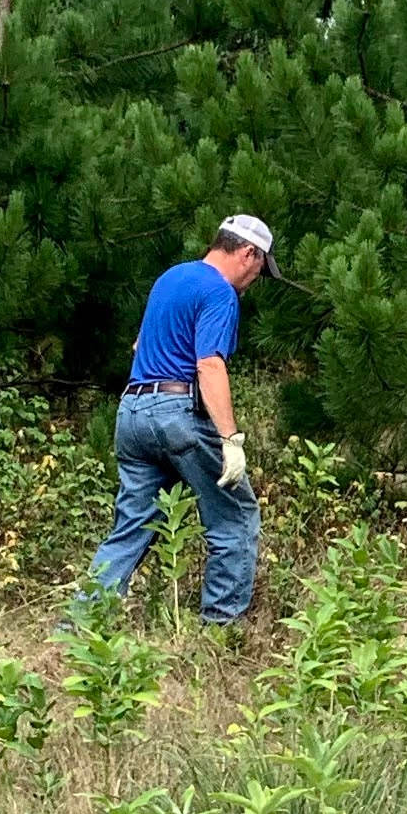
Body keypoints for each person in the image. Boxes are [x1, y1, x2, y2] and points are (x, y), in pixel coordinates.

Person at [92, 217, 269, 626]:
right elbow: (209, 364)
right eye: (260, 269)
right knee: (235, 517)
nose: (255, 279)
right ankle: (221, 632)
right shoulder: (220, 292)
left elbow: (139, 345)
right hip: (177, 413)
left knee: (131, 528)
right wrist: (230, 439)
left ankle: (81, 625)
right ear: (248, 254)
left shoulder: (171, 278)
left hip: (132, 411)